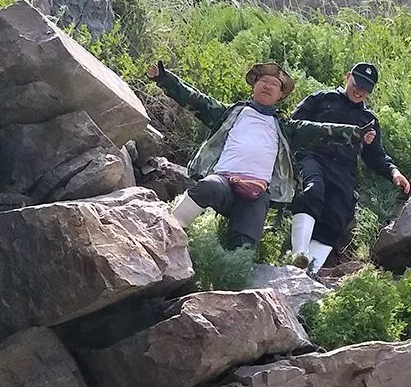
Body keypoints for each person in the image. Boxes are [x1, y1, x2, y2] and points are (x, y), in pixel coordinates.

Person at [146, 59, 363, 252]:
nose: (268, 86)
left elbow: (320, 130)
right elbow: (196, 99)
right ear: (254, 85)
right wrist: (164, 78)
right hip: (224, 184)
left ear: (281, 95)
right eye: (263, 80)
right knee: (207, 187)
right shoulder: (231, 113)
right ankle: (166, 233)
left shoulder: (285, 129)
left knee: (244, 248)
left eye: (275, 84)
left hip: (256, 195)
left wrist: (356, 133)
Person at [288, 63, 411, 273]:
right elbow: (293, 126)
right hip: (312, 157)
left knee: (339, 213)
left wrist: (394, 172)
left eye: (366, 88)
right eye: (357, 84)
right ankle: (297, 256)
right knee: (312, 190)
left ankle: (310, 270)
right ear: (347, 77)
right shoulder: (321, 99)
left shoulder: (369, 120)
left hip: (343, 170)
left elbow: (375, 155)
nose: (360, 91)